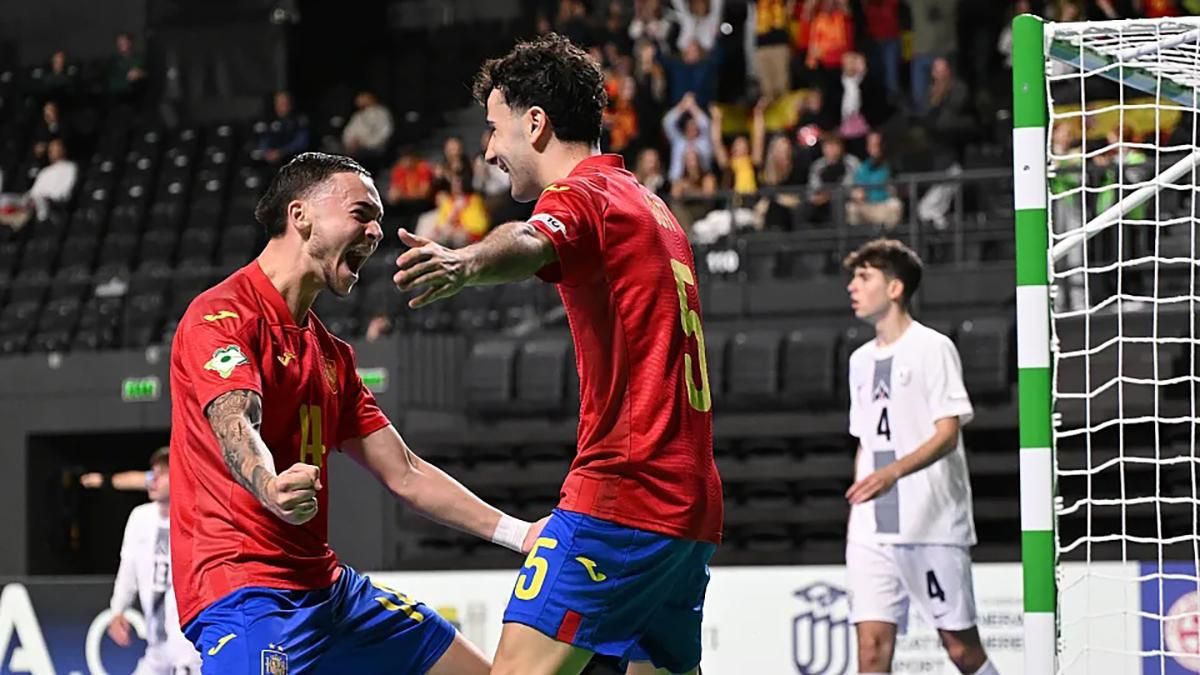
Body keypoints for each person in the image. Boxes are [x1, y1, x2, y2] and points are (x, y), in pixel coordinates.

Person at [393, 34, 723, 675]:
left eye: (494, 128)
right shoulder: (651, 205)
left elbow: (528, 239)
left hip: (624, 494)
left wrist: (465, 260)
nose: (488, 149)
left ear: (535, 123)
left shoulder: (583, 196)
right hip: (689, 507)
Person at [169, 151, 541, 673]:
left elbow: (406, 472)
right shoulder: (222, 315)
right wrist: (270, 485)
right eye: (362, 214)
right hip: (245, 593)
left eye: (379, 223)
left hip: (330, 593)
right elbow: (236, 419)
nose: (374, 234)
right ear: (300, 216)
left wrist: (519, 534)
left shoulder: (331, 356)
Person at [842, 239, 998, 675]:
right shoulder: (858, 361)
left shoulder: (933, 347)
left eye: (864, 277)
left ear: (894, 288)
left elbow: (948, 433)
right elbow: (866, 440)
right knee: (871, 652)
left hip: (930, 521)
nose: (852, 286)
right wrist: (862, 503)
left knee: (961, 650)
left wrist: (892, 473)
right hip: (872, 530)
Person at [107, 448, 202, 674]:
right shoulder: (140, 517)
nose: (153, 478)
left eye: (162, 473)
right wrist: (118, 610)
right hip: (156, 644)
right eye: (153, 472)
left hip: (187, 641)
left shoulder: (194, 517)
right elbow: (127, 567)